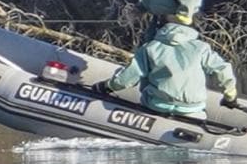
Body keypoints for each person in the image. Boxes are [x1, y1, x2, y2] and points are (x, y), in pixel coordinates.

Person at [91, 20, 238, 118]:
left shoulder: (150, 48)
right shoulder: (201, 48)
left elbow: (128, 77)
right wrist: (230, 96)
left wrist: (107, 86)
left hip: (157, 107)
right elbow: (223, 69)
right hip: (193, 110)